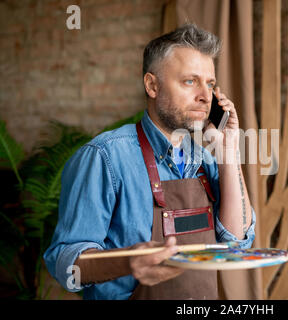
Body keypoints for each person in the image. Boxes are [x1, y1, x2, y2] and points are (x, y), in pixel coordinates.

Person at [43, 23, 256, 300]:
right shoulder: (105, 157)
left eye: (210, 84)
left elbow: (236, 241)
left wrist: (228, 151)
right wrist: (128, 263)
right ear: (152, 85)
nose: (205, 96)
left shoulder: (206, 159)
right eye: (190, 81)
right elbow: (65, 264)